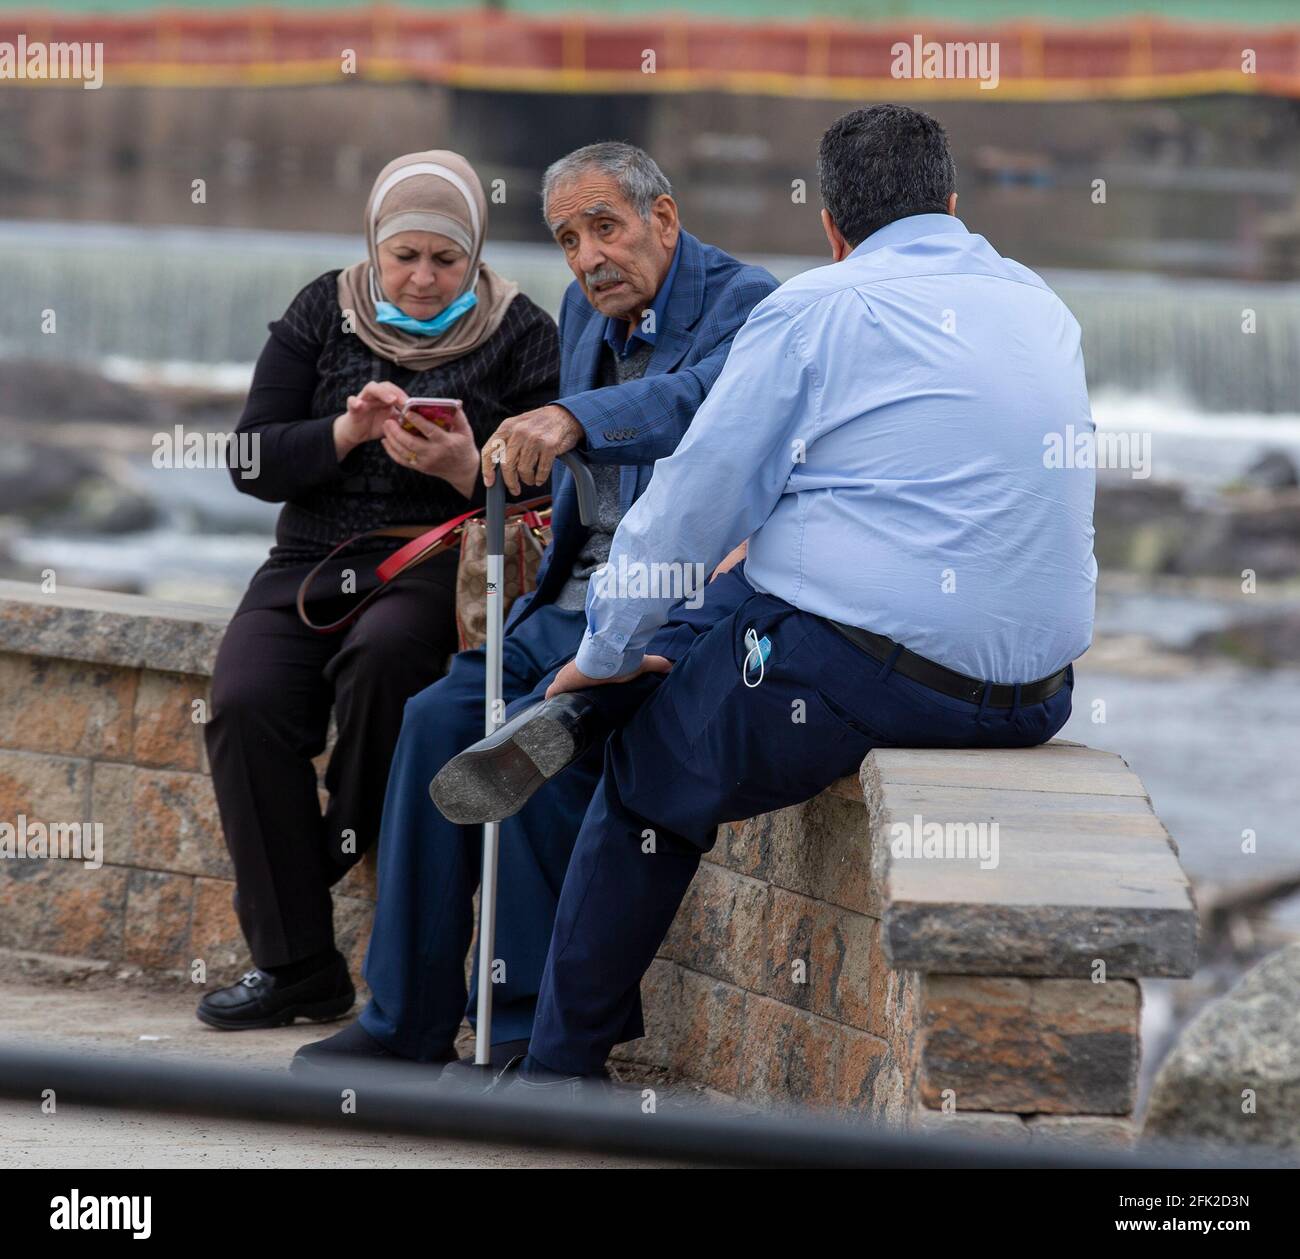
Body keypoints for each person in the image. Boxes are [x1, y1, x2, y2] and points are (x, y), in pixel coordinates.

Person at [437, 103, 1099, 1096]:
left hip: (868, 677)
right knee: (745, 581)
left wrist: (606, 644)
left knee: (644, 776)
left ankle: (556, 1071)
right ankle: (629, 679)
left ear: (831, 227)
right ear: (953, 206)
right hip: (1039, 693)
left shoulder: (817, 307)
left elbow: (688, 507)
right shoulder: (1042, 305)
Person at [292, 141, 777, 1075]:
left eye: (606, 227)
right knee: (433, 716)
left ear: (663, 219)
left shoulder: (743, 302)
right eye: (567, 238)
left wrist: (577, 418)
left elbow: (702, 400)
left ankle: (526, 1030)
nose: (588, 256)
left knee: (532, 738)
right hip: (565, 597)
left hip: (670, 606)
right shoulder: (582, 312)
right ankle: (406, 1020)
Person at [198, 150, 560, 1030]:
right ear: (374, 247)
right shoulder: (325, 308)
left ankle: (334, 845)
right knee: (242, 702)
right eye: (406, 256)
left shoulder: (522, 331)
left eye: (445, 259)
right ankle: (298, 969)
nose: (424, 277)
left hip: (437, 555)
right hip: (310, 563)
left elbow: (557, 501)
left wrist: (466, 468)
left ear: (474, 254)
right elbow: (251, 460)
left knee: (387, 658)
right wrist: (344, 431)